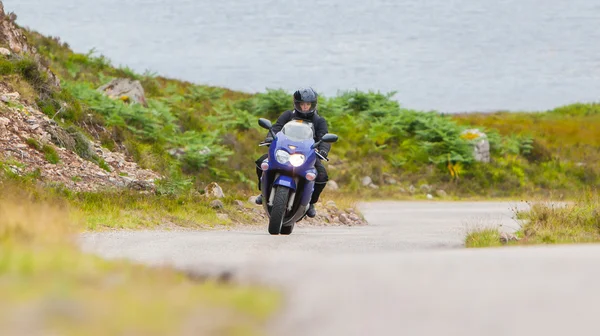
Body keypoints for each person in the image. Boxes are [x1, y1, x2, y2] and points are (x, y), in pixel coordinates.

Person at [254, 87, 331, 218]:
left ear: (313, 104)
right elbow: (277, 127)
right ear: (297, 103)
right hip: (284, 151)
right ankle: (263, 192)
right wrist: (269, 137)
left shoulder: (319, 121)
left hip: (308, 155)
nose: (305, 107)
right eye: (302, 104)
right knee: (262, 162)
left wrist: (323, 150)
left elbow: (324, 137)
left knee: (322, 176)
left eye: (308, 104)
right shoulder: (288, 115)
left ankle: (311, 203)